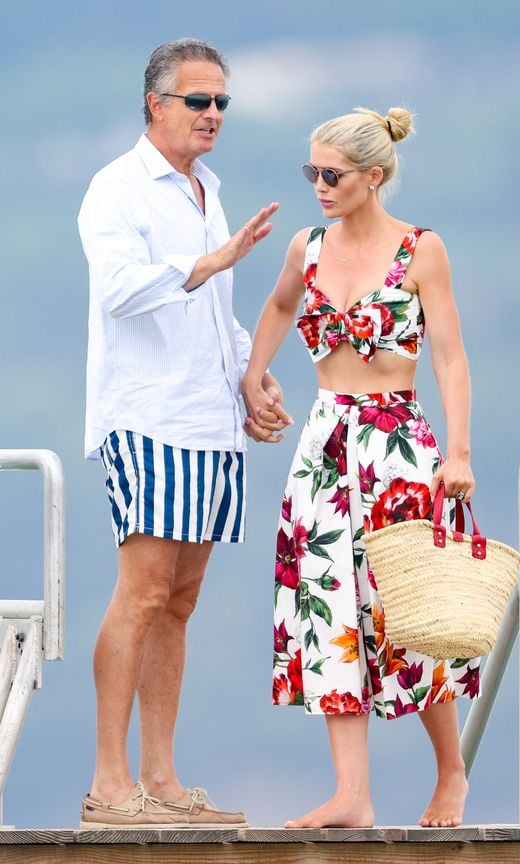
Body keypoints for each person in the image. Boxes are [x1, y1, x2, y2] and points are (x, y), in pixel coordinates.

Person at [241, 106, 480, 829]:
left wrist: (460, 451)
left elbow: (449, 356)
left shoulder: (421, 250)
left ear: (373, 177)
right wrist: (254, 376)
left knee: (406, 608)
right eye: (312, 171)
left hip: (395, 441)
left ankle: (451, 773)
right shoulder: (305, 248)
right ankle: (352, 793)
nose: (319, 184)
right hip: (324, 443)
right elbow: (280, 307)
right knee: (328, 611)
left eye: (332, 174)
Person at [77, 38, 290, 829]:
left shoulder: (208, 193)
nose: (211, 115)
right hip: (146, 415)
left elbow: (216, 311)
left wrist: (249, 378)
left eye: (221, 103)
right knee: (142, 591)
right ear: (154, 105)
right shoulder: (117, 190)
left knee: (181, 599)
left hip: (206, 418)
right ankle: (109, 780)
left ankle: (161, 780)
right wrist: (212, 258)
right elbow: (123, 294)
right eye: (198, 101)